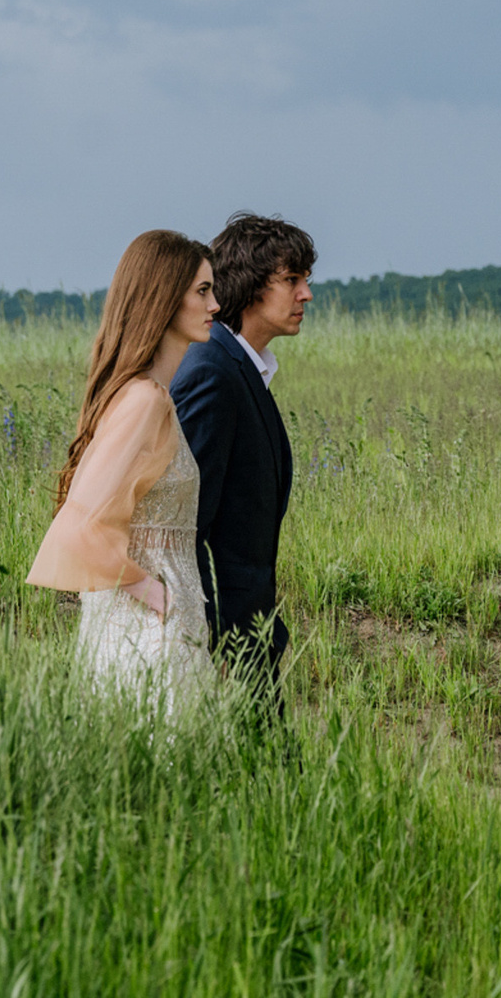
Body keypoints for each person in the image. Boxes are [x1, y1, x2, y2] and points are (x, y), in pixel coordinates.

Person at [26, 230, 220, 711]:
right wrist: (157, 596)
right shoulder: (143, 400)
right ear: (162, 299)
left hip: (154, 617)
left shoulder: (153, 396)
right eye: (202, 291)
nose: (215, 304)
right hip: (148, 626)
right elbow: (78, 525)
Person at [172, 212, 315, 706]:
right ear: (252, 286)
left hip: (251, 636)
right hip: (229, 644)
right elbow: (187, 521)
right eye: (291, 280)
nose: (306, 295)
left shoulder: (239, 367)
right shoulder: (212, 372)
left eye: (306, 281)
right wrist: (213, 642)